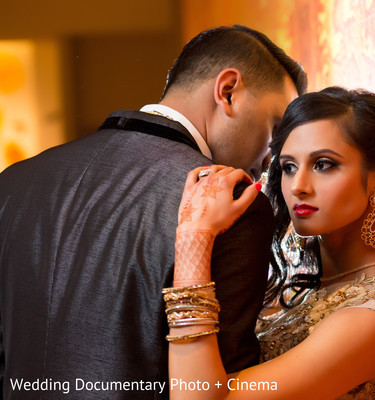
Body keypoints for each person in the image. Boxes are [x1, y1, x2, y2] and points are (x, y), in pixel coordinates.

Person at [0, 25, 306, 399]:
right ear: (228, 92)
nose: (270, 158)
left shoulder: (12, 183)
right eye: (275, 129)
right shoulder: (235, 204)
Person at [165, 87, 375, 399]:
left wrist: (193, 238)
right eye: (288, 167)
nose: (297, 186)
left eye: (324, 164)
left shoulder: (371, 317)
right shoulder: (309, 279)